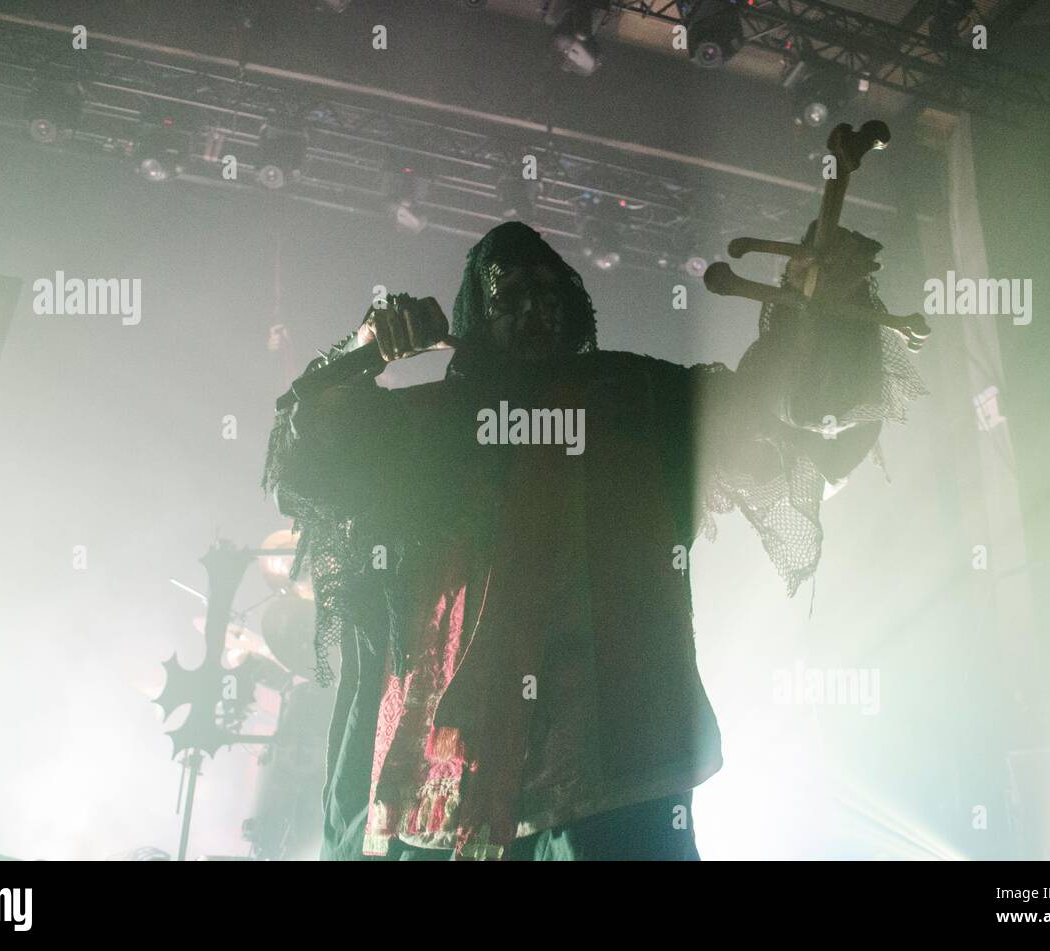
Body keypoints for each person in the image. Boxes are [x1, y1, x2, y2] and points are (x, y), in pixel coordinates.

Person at [262, 220, 928, 860]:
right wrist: (366, 346)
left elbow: (766, 408)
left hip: (614, 757)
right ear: (477, 319)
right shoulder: (429, 427)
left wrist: (820, 307)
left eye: (549, 295)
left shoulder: (632, 395)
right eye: (511, 297)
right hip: (452, 766)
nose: (535, 312)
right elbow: (304, 453)